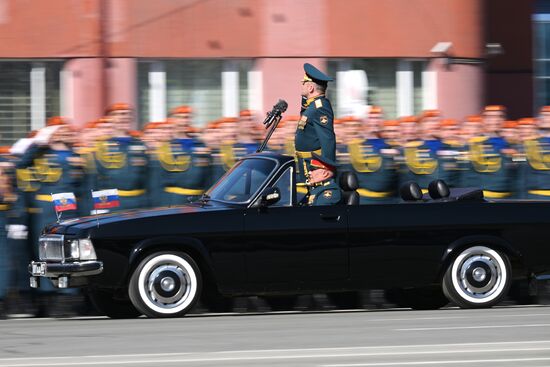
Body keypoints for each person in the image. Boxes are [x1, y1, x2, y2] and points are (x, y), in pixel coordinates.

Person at [93, 103, 148, 211]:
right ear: (109, 118)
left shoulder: (140, 144)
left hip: (139, 200)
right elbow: (96, 180)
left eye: (127, 114)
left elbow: (148, 176)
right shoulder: (101, 146)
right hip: (112, 200)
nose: (125, 117)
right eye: (119, 114)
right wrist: (100, 209)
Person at [295, 63, 336, 197]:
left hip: (314, 166)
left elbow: (328, 139)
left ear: (311, 87)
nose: (301, 85)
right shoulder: (311, 106)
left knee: (315, 198)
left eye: (304, 83)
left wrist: (327, 169)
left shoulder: (320, 107)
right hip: (305, 164)